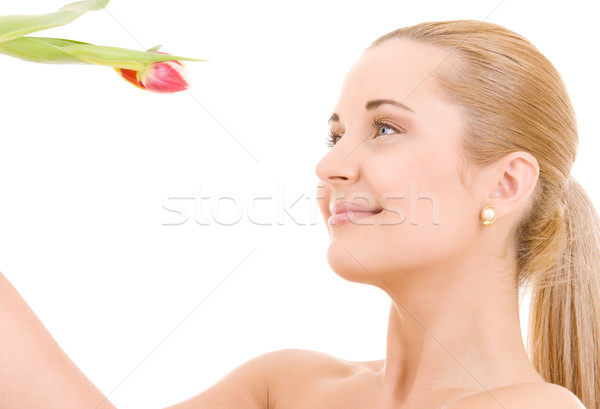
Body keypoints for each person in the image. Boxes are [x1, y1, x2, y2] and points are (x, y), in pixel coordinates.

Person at [1, 20, 598, 409]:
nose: (330, 164)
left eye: (384, 128)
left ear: (506, 183)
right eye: (335, 133)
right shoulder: (287, 385)